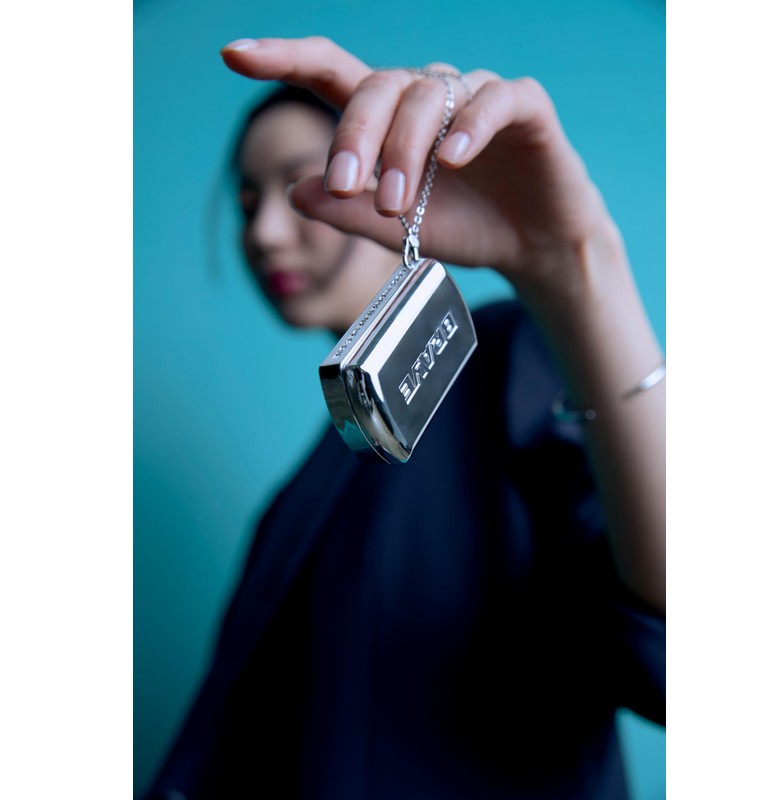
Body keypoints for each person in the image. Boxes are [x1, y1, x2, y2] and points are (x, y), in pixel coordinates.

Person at [144, 35, 665, 799]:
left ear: (387, 171)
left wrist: (575, 268)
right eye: (248, 204)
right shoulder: (300, 498)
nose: (264, 233)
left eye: (301, 183)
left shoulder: (506, 358)